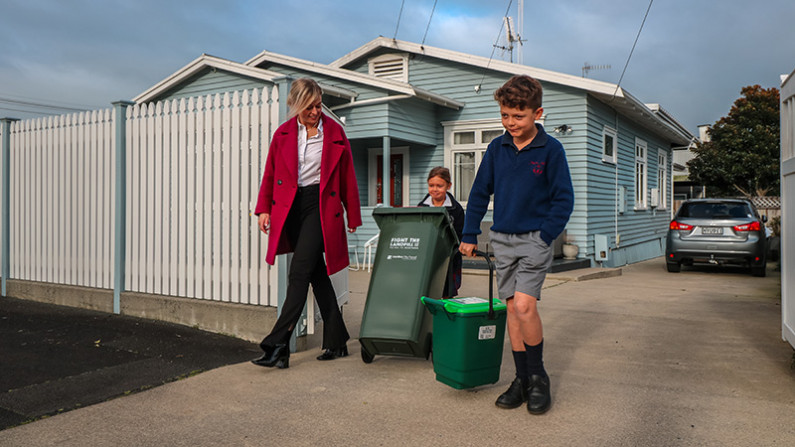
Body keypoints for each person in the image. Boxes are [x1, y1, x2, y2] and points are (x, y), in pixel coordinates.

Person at [459, 75, 574, 414]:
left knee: (524, 306)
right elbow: (480, 192)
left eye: (518, 117)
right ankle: (521, 379)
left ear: (537, 113)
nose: (511, 123)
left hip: (534, 240)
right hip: (502, 239)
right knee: (511, 309)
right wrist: (469, 234)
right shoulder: (497, 148)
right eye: (505, 116)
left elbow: (563, 199)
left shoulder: (551, 149)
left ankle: (538, 377)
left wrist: (544, 236)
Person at [251, 78, 362, 369]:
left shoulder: (334, 132)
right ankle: (337, 341)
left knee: (298, 273)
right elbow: (270, 173)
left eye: (318, 105)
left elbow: (348, 176)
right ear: (296, 105)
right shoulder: (283, 133)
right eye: (309, 106)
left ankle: (277, 343)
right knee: (315, 274)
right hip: (290, 207)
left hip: (320, 205)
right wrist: (264, 209)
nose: (315, 111)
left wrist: (353, 214)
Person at [417, 166, 464, 298]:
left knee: (447, 292)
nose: (435, 189)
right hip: (427, 257)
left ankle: (445, 317)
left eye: (439, 185)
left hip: (449, 259)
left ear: (448, 186)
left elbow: (460, 234)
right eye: (431, 185)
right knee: (427, 292)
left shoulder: (456, 209)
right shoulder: (422, 207)